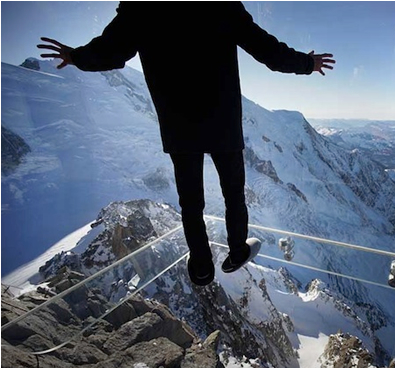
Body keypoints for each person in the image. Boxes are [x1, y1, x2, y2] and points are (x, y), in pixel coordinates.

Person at [38, 2, 335, 286]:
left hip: (180, 125)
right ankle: (237, 251)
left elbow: (110, 50)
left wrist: (77, 56)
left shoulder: (142, 7)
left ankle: (202, 266)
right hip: (223, 121)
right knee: (233, 193)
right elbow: (267, 50)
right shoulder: (220, 4)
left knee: (191, 203)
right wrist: (307, 63)